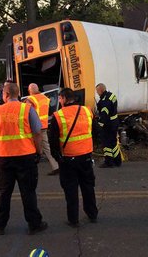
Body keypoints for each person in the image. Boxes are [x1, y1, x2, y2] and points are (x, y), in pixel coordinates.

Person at [0, 83, 47, 235]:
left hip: (4, 158)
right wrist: (38, 151)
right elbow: (37, 132)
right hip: (25, 156)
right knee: (28, 192)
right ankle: (34, 224)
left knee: (4, 193)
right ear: (18, 94)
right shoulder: (27, 109)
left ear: (5, 95)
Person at [49, 88, 98, 227]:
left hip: (68, 158)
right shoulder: (87, 111)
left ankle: (73, 219)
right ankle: (92, 214)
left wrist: (57, 157)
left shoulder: (58, 116)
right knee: (88, 186)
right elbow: (95, 131)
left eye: (59, 98)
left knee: (70, 190)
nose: (59, 101)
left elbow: (53, 140)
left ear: (64, 98)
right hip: (86, 156)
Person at [25, 83, 59, 175]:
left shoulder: (30, 99)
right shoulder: (45, 98)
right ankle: (56, 166)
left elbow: (27, 113)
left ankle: (29, 168)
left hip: (34, 127)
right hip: (43, 125)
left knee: (29, 146)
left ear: (30, 91)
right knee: (47, 147)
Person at [95, 83, 121, 168]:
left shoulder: (104, 102)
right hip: (115, 122)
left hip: (108, 125)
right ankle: (117, 161)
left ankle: (108, 162)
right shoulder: (111, 95)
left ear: (101, 90)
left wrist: (99, 125)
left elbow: (104, 115)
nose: (97, 93)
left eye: (97, 91)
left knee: (106, 144)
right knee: (113, 143)